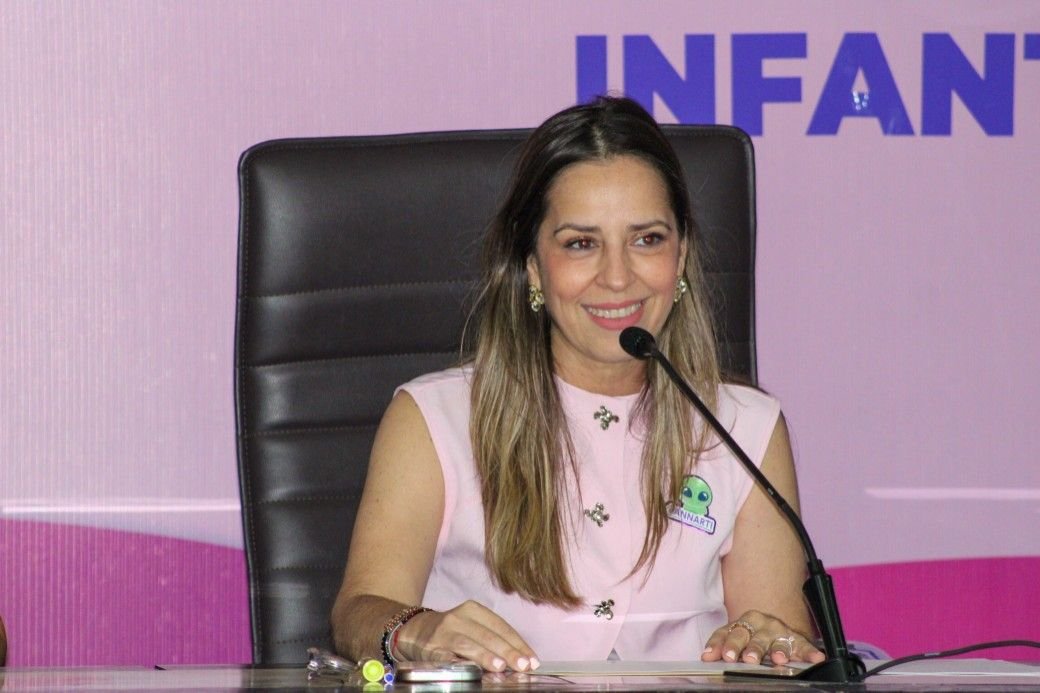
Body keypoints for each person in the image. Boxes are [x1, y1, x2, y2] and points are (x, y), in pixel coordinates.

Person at [331, 96, 825, 673]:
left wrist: (771, 642)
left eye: (647, 239)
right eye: (581, 243)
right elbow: (357, 614)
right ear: (533, 267)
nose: (617, 277)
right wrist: (415, 630)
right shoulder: (435, 418)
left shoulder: (746, 428)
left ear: (682, 256)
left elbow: (777, 638)